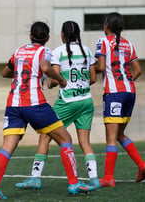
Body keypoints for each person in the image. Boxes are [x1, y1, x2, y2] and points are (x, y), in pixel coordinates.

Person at [0, 21, 96, 200]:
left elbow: (5, 73)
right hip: (35, 103)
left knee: (7, 147)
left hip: (13, 105)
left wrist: (22, 71)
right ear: (48, 38)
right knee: (65, 138)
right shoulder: (44, 51)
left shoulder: (19, 51)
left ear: (30, 36)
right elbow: (45, 68)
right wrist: (60, 80)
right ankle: (74, 184)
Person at [15, 21, 100, 191]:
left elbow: (55, 78)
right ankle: (95, 179)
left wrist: (52, 84)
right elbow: (93, 79)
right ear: (78, 34)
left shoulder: (58, 52)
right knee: (85, 142)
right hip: (86, 100)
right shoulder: (87, 51)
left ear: (62, 35)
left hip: (67, 101)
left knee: (45, 136)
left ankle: (35, 178)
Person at [95, 12, 145, 187]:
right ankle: (142, 165)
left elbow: (101, 67)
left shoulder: (102, 42)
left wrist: (89, 67)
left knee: (111, 137)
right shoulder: (128, 44)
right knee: (119, 134)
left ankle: (108, 177)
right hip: (129, 92)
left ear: (106, 25)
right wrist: (126, 82)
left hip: (114, 93)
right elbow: (138, 70)